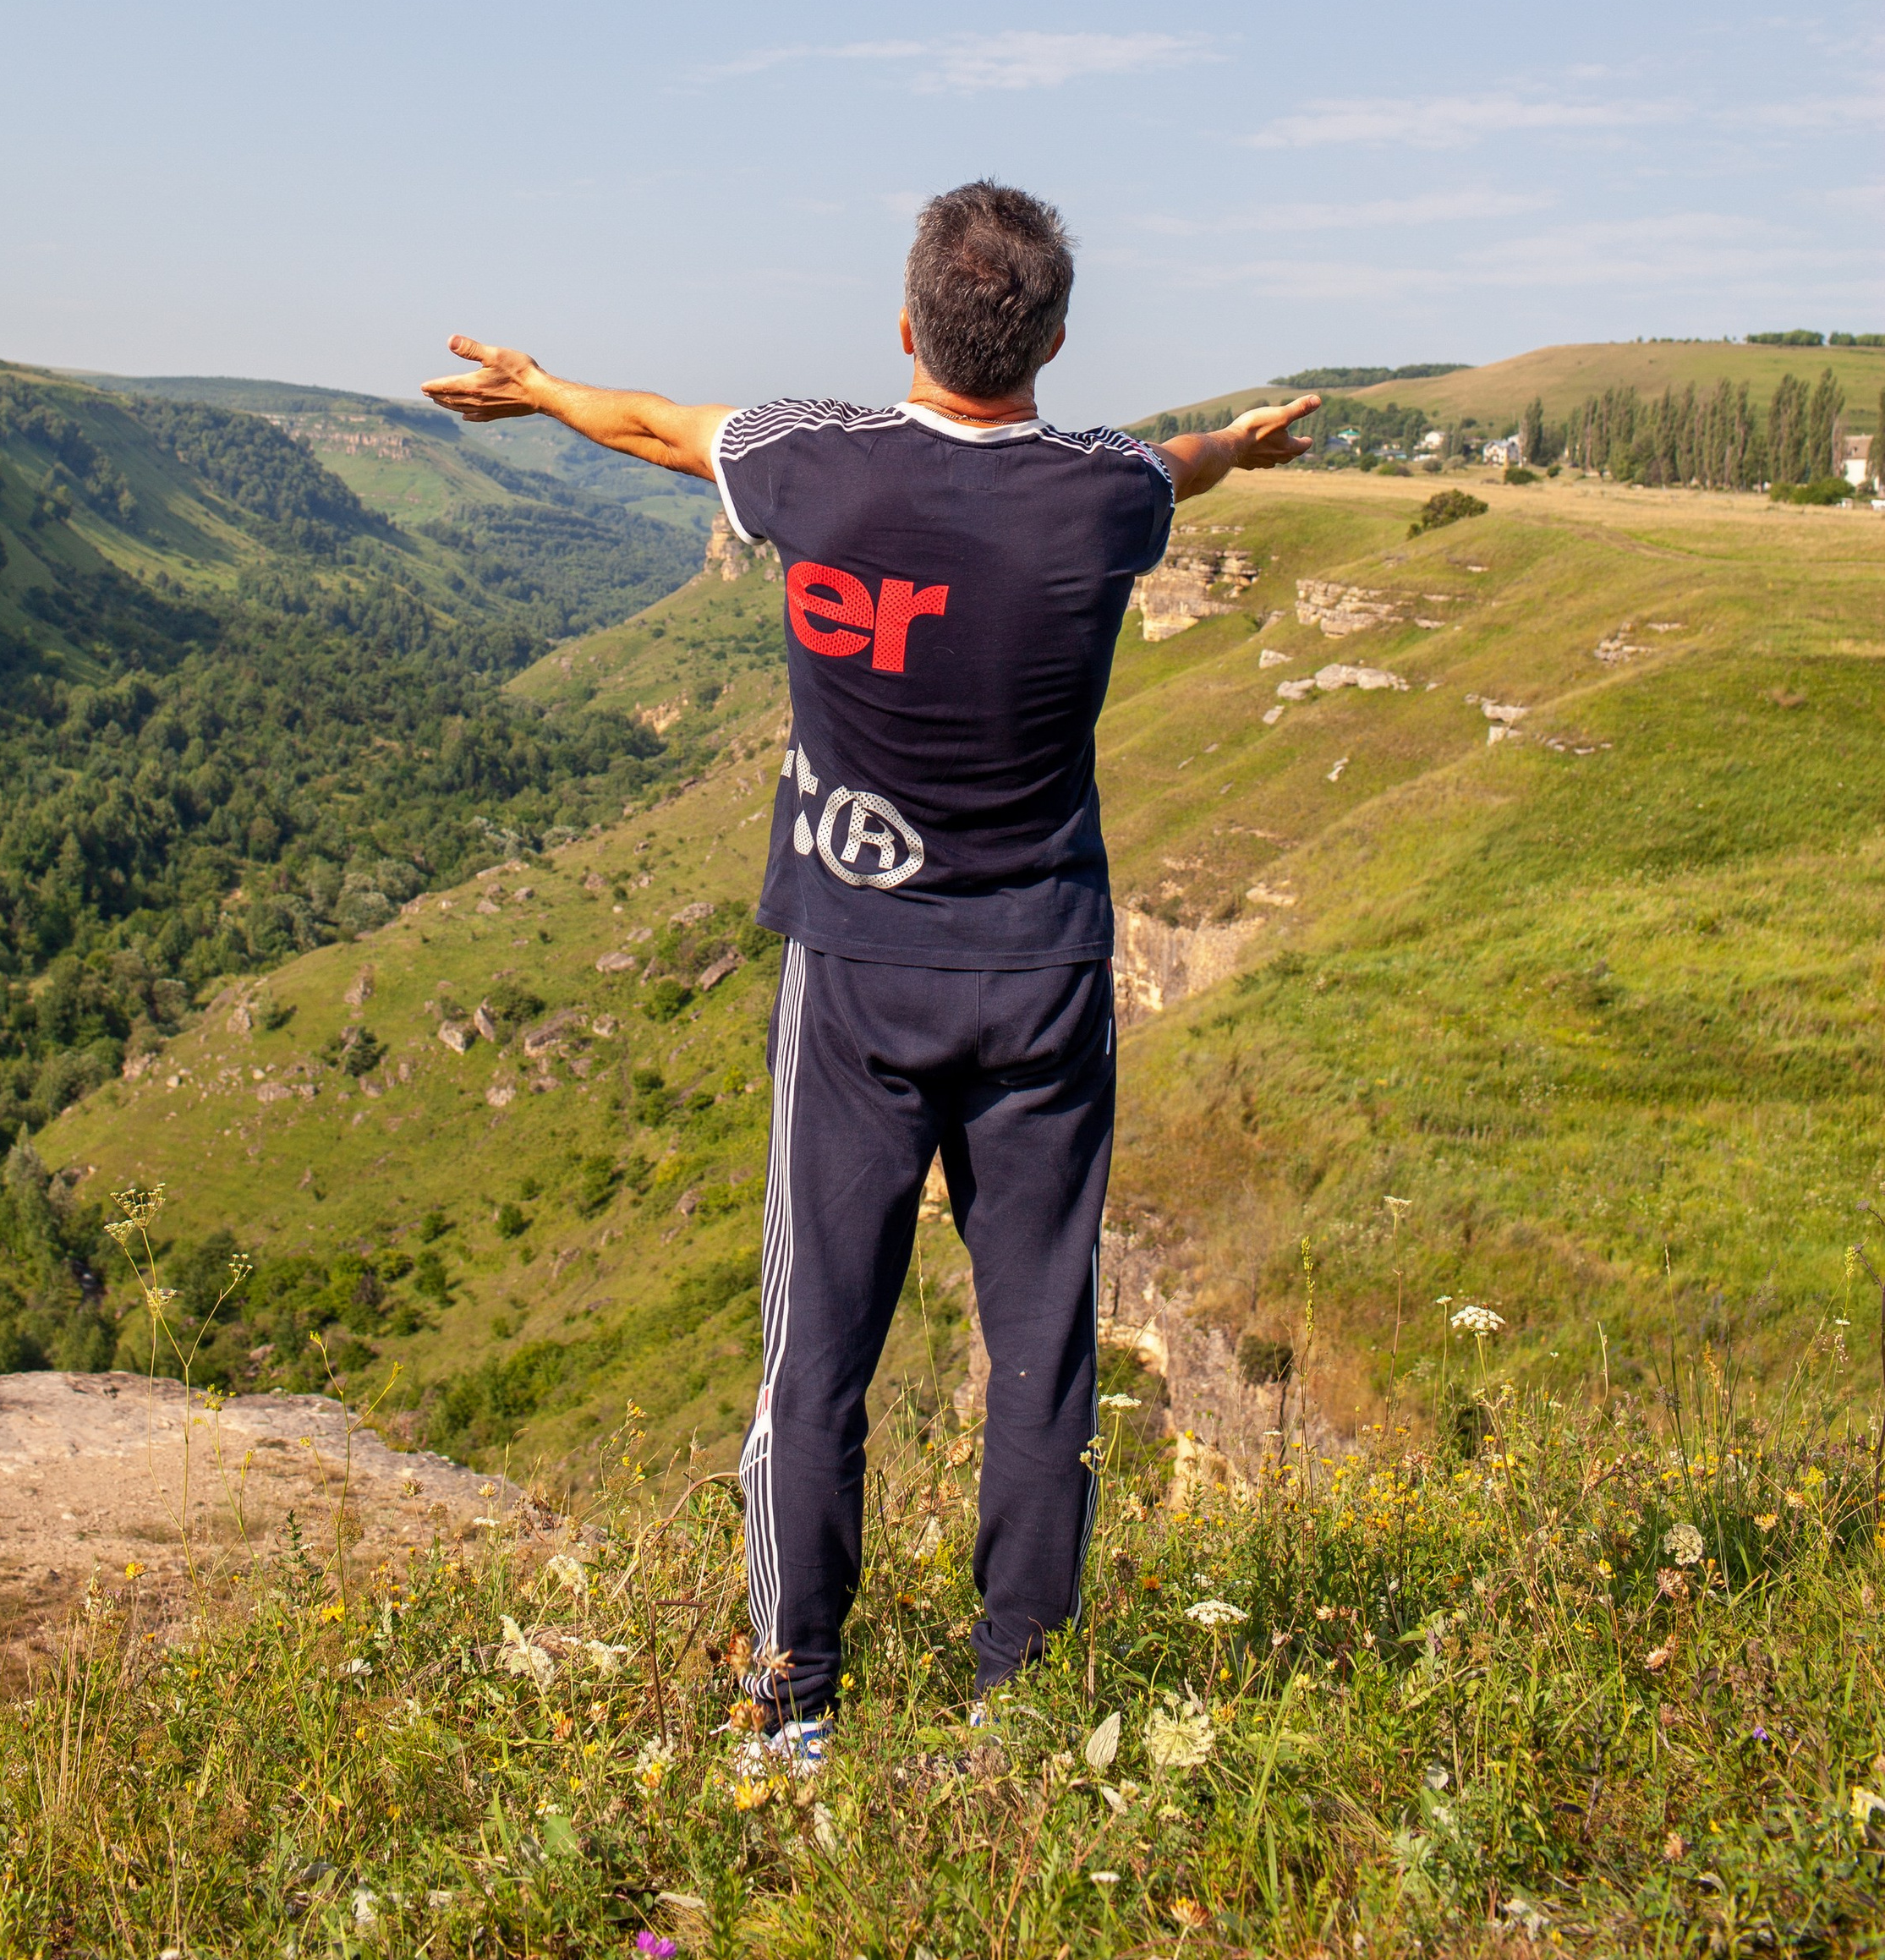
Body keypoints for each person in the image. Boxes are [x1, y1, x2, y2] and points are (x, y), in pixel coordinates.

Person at [425, 179, 1316, 1757]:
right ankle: (1020, 1710)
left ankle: (794, 1703)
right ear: (1052, 337)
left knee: (816, 1349)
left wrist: (540, 385)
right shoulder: (1105, 498)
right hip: (1041, 974)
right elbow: (1173, 465)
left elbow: (651, 428)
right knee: (1041, 1349)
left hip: (854, 976)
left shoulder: (812, 466)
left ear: (906, 326)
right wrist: (1238, 449)